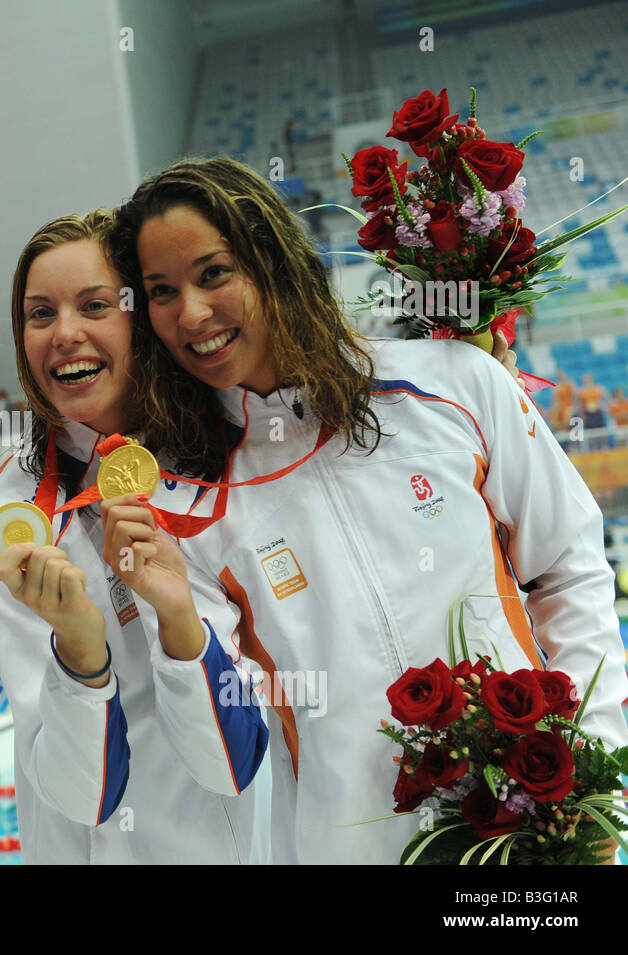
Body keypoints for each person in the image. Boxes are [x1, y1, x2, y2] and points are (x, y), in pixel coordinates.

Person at [106, 156, 628, 864]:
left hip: (535, 840)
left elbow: (566, 566)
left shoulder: (451, 385)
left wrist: (595, 773)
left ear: (272, 259)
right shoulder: (187, 505)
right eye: (162, 290)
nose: (191, 313)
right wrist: (176, 623)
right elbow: (221, 763)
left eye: (213, 273)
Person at [0, 211, 270, 863]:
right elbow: (83, 795)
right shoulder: (7, 519)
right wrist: (79, 648)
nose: (65, 333)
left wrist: (178, 617)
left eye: (95, 305)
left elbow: (233, 762)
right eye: (40, 313)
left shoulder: (228, 461)